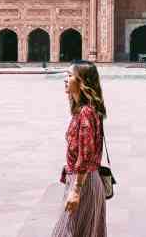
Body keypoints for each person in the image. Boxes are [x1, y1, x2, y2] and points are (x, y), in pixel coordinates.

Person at [52, 61, 107, 237]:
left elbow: (86, 154)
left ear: (81, 81)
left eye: (69, 75)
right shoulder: (86, 110)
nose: (65, 80)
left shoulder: (86, 113)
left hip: (83, 183)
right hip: (85, 181)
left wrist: (75, 190)